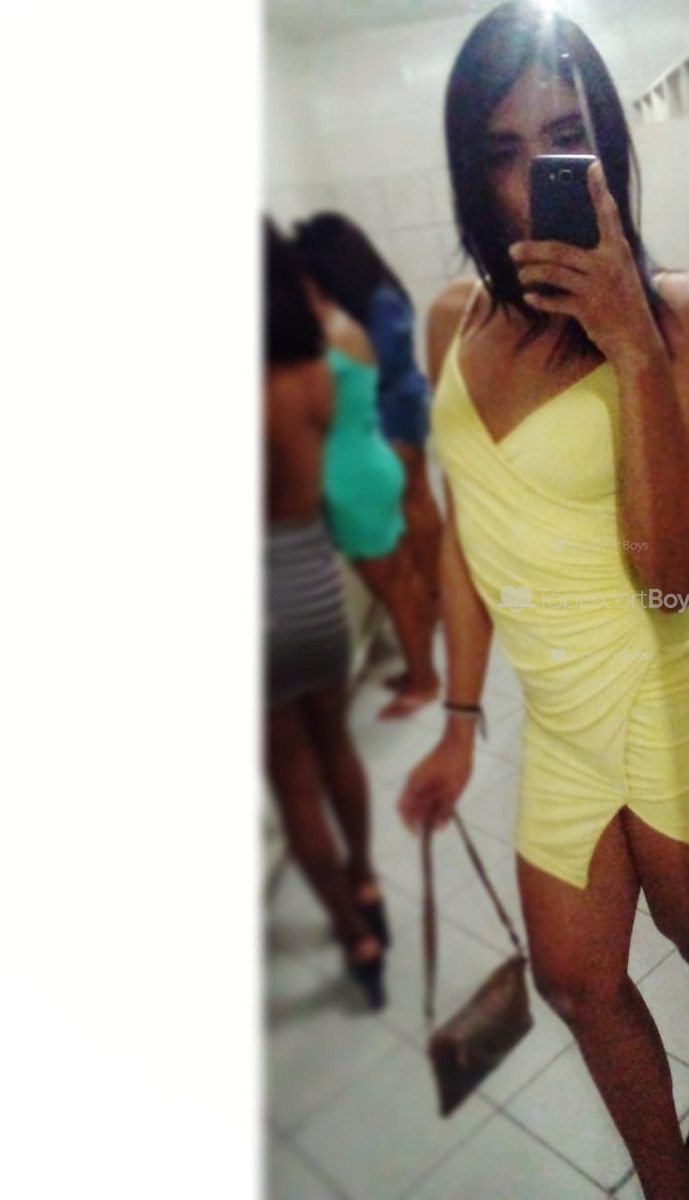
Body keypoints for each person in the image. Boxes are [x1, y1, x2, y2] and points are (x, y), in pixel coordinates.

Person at [397, 6, 689, 1199]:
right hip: (560, 717)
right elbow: (467, 532)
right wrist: (460, 720)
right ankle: (672, 1186)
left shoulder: (686, 317)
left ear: (607, 139)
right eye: (500, 152)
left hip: (669, 687)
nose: (530, 179)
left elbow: (672, 580)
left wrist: (630, 344)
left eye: (562, 138)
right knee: (575, 978)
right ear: (472, 171)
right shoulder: (453, 320)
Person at [262, 219, 388, 1009]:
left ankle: (354, 933)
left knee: (293, 781)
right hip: (316, 588)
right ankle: (366, 878)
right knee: (335, 743)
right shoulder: (315, 373)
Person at [291, 230, 441, 718]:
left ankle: (423, 678)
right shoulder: (342, 325)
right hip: (365, 461)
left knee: (392, 584)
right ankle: (421, 668)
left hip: (355, 475)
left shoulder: (331, 336)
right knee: (399, 579)